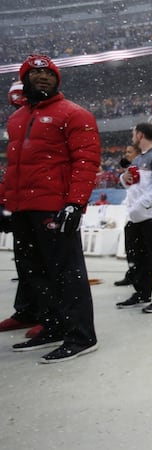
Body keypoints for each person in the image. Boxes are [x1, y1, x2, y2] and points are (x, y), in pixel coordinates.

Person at [0, 54, 101, 362]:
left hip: (53, 207)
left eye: (48, 74)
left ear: (57, 80)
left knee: (67, 273)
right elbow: (15, 167)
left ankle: (82, 335)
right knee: (34, 273)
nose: (42, 78)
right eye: (35, 73)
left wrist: (75, 204)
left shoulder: (74, 114)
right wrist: (6, 203)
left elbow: (85, 162)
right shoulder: (17, 119)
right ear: (25, 79)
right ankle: (54, 326)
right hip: (23, 208)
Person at [117, 123, 152, 313]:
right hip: (138, 217)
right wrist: (124, 179)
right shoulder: (138, 159)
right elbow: (135, 186)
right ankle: (142, 292)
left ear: (140, 135)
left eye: (134, 134)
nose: (132, 137)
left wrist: (140, 206)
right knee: (138, 257)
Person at [0, 78, 40, 338]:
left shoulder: (43, 121)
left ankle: (50, 314)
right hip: (21, 202)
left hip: (40, 201)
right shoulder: (17, 124)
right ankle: (27, 310)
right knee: (25, 261)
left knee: (42, 263)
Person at [114, 145, 143, 287]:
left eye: (129, 152)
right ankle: (132, 273)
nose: (126, 154)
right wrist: (123, 176)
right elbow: (129, 186)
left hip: (144, 214)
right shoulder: (130, 169)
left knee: (142, 250)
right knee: (131, 248)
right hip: (132, 214)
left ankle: (143, 278)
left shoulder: (146, 167)